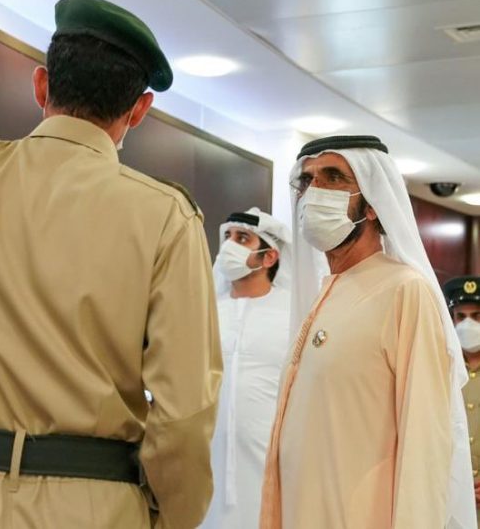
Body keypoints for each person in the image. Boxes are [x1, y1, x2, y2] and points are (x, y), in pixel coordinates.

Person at [0, 0, 221, 528]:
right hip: (93, 509)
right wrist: (167, 518)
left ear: (41, 85)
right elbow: (184, 416)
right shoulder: (165, 218)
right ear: (139, 110)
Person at [259, 135, 476, 529]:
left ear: (373, 203)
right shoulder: (324, 294)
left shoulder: (404, 291)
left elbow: (425, 447)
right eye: (306, 180)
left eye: (333, 177)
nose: (314, 191)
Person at [202, 208, 291, 529]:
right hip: (206, 460)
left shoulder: (293, 313)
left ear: (269, 256)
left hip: (270, 460)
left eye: (243, 239)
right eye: (227, 237)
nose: (230, 245)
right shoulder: (208, 312)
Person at [445, 275, 480, 526]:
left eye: (477, 316)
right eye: (461, 316)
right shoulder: (444, 369)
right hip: (452, 501)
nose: (468, 324)